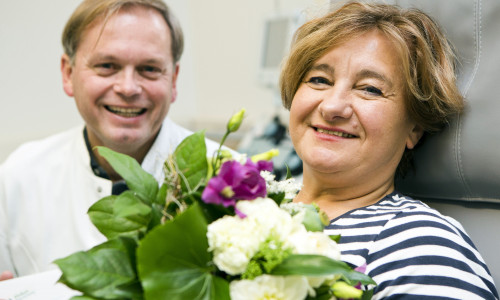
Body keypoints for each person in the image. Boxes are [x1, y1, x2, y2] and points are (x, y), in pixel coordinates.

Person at [280, 1, 498, 299]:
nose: (332, 107)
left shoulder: (422, 246)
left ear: (414, 129)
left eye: (370, 89)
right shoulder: (243, 206)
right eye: (319, 80)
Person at [0, 0, 226, 279]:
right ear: (68, 73)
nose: (128, 88)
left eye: (150, 69)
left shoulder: (228, 176)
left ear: (174, 80)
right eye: (107, 65)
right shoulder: (19, 176)